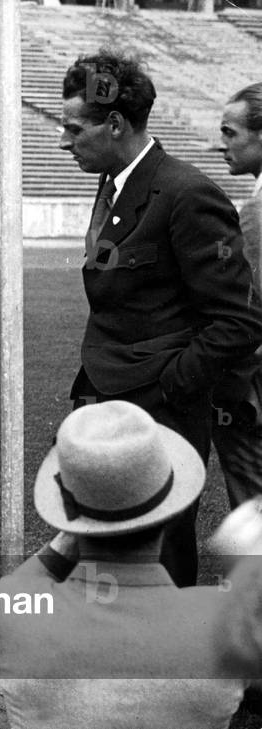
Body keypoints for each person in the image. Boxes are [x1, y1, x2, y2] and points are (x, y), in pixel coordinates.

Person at [59, 50, 262, 587]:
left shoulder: (186, 192)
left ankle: (169, 668)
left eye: (74, 128)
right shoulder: (117, 182)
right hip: (115, 403)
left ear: (117, 124)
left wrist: (170, 387)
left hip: (162, 412)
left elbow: (238, 321)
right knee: (114, 559)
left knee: (160, 559)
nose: (63, 141)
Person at [0, 400, 252, 729]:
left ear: (70, 517)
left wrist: (67, 536)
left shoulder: (12, 612)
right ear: (172, 511)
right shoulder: (227, 623)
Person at [212, 82, 262, 508]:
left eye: (230, 132)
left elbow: (249, 309)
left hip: (254, 392)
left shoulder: (258, 211)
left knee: (253, 517)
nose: (222, 144)